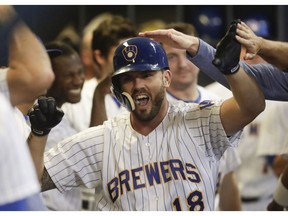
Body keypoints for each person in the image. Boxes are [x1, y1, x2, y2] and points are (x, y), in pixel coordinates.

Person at [27, 20, 265, 210]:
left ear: (166, 78)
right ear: (118, 88)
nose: (137, 85)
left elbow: (252, 106)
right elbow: (31, 181)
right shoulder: (101, 140)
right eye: (128, 79)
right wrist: (39, 133)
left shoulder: (201, 121)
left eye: (146, 75)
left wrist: (230, 69)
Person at [163, 22, 241, 211]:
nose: (182, 64)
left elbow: (228, 175)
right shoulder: (152, 108)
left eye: (188, 55)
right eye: (172, 57)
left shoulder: (220, 103)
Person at [0, 5, 54, 210]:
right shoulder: (8, 110)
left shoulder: (14, 115)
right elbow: (37, 75)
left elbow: (31, 180)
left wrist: (39, 133)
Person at [61, 15, 137, 132]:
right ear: (100, 56)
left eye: (132, 55)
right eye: (121, 55)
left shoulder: (143, 92)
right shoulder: (75, 101)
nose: (130, 62)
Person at [38, 41, 85, 210]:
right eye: (69, 75)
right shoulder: (37, 117)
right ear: (49, 77)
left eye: (80, 72)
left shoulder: (60, 116)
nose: (78, 80)